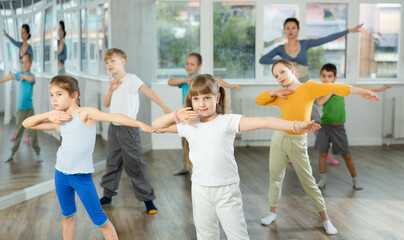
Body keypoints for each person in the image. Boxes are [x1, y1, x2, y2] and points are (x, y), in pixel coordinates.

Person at [153, 74, 320, 240]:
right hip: (200, 190)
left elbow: (265, 121)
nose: (201, 103)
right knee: (205, 236)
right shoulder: (188, 125)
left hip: (227, 190)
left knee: (238, 236)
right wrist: (176, 115)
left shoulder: (228, 121)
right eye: (196, 99)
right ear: (190, 100)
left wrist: (297, 125)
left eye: (206, 97)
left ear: (217, 98)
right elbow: (156, 125)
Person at [22, 75, 160, 240]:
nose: (54, 99)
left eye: (59, 94)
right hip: (61, 175)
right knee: (67, 215)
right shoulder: (60, 121)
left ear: (73, 96)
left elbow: (115, 117)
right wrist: (49, 114)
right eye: (52, 95)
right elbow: (27, 123)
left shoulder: (85, 114)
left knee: (100, 221)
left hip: (81, 178)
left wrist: (139, 124)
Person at [255, 59, 380, 235]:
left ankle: (325, 219)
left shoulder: (309, 87)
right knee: (275, 177)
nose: (279, 77)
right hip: (279, 138)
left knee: (309, 182)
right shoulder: (280, 94)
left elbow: (334, 88)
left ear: (292, 70)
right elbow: (259, 100)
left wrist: (360, 91)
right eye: (276, 76)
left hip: (298, 142)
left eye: (282, 72)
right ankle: (272, 212)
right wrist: (274, 91)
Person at [259, 18, 363, 165]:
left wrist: (348, 31)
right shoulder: (281, 49)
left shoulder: (305, 44)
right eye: (287, 28)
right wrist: (283, 62)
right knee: (292, 121)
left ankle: (325, 152)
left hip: (305, 86)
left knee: (315, 120)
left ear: (297, 29)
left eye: (293, 28)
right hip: (291, 89)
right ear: (285, 30)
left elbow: (325, 39)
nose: (290, 31)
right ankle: (291, 153)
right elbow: (263, 59)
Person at [99, 48, 171, 214]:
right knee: (112, 163)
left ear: (123, 61)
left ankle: (148, 200)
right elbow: (106, 104)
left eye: (113, 61)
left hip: (129, 129)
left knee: (135, 164)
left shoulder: (131, 79)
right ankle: (107, 195)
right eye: (107, 62)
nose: (109, 64)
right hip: (113, 128)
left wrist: (164, 106)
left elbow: (149, 92)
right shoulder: (113, 82)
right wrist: (110, 89)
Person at [315, 63, 391, 190]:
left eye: (329, 76)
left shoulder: (340, 89)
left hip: (338, 128)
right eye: (324, 76)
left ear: (335, 78)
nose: (326, 79)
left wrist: (378, 90)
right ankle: (322, 179)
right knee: (322, 153)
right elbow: (319, 102)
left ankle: (355, 180)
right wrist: (330, 90)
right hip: (325, 127)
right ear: (320, 77)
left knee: (347, 155)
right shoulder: (321, 90)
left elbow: (360, 87)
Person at [168, 52, 241, 175]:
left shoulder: (201, 79)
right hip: (188, 114)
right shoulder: (185, 81)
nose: (189, 66)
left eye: (192, 64)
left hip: (201, 115)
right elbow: (170, 81)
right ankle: (187, 166)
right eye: (187, 63)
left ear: (199, 66)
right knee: (185, 141)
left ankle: (199, 166)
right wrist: (186, 80)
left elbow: (217, 80)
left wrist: (229, 85)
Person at [0, 53, 41, 162]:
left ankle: (37, 153)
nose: (25, 64)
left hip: (30, 110)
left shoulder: (31, 76)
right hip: (20, 110)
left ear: (31, 63)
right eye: (23, 62)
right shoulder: (20, 74)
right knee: (18, 132)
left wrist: (23, 76)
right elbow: (10, 76)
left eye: (27, 62)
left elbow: (32, 80)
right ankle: (12, 153)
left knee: (33, 132)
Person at [3, 24, 34, 143]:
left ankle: (27, 133)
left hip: (27, 77)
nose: (21, 35)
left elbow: (31, 62)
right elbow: (13, 42)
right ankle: (18, 132)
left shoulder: (29, 48)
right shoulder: (20, 45)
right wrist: (6, 35)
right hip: (20, 76)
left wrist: (23, 62)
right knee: (20, 107)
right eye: (20, 32)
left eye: (23, 33)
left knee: (26, 106)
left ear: (27, 34)